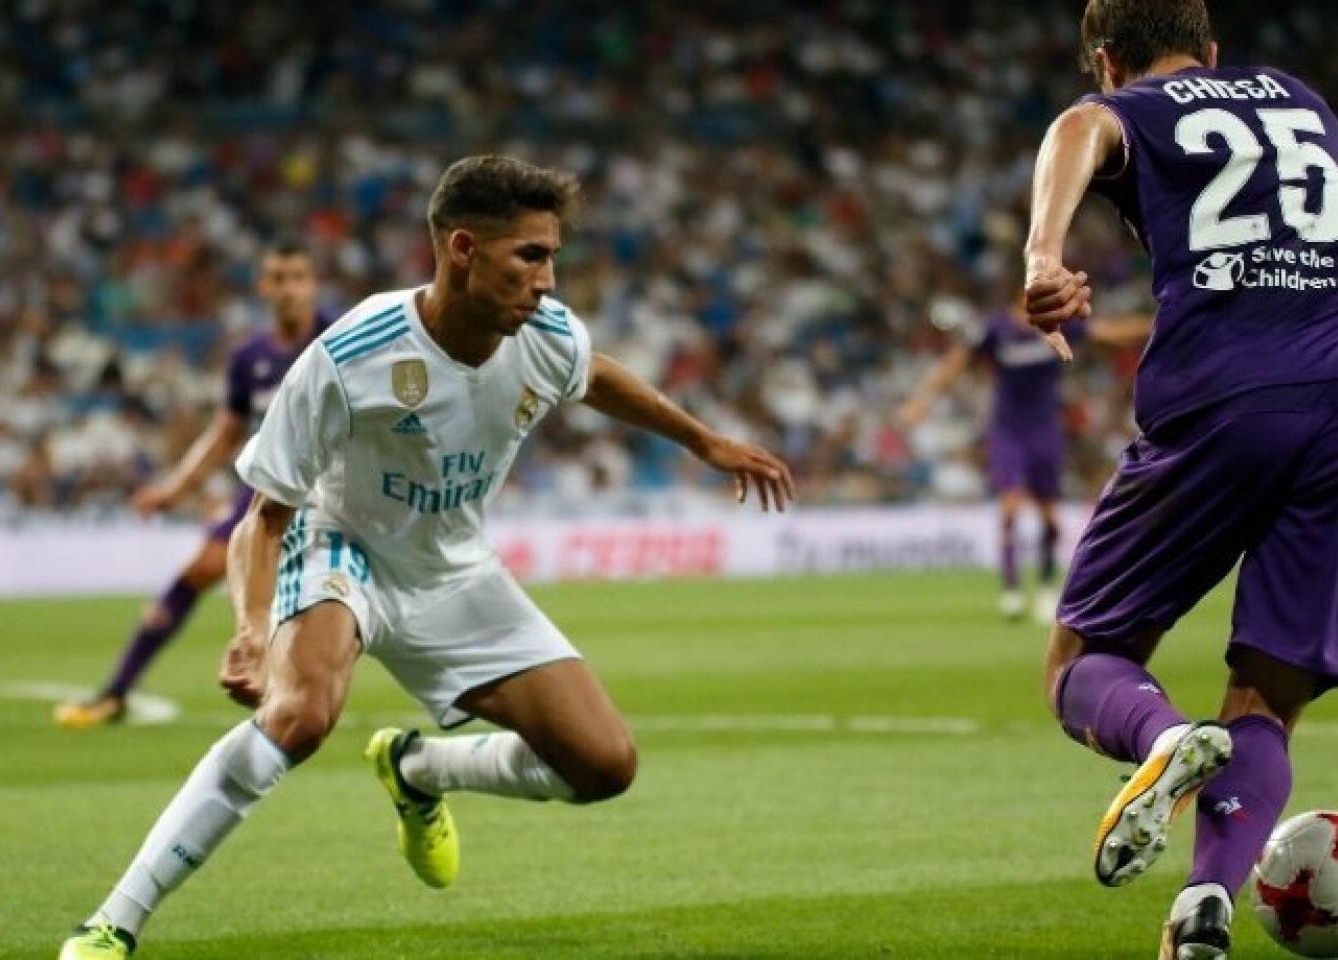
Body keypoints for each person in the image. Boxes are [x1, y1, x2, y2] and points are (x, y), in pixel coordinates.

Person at [57, 155, 794, 959]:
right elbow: (264, 516)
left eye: (553, 257)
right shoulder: (350, 355)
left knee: (603, 765)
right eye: (530, 256)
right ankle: (112, 923)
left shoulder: (545, 335)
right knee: (300, 717)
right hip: (345, 546)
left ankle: (419, 768)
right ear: (463, 249)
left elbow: (595, 375)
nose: (548, 280)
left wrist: (703, 441)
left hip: (455, 567)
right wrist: (250, 624)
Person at [1024, 1, 1338, 956]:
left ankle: (1158, 737)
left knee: (1079, 665)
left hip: (1223, 400)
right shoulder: (1304, 102)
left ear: (1110, 61)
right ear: (1211, 49)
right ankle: (1204, 904)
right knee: (1265, 699)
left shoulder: (1133, 105)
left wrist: (1045, 253)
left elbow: (1081, 126)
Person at [54, 241, 329, 728]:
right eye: (278, 278)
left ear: (313, 283)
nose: (288, 289)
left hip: (335, 487)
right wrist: (174, 488)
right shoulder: (250, 357)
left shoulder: (338, 336)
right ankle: (117, 691)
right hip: (269, 487)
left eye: (298, 277)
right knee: (201, 568)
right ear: (263, 287)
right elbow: (227, 429)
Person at [899, 298, 1146, 622]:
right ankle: (1011, 588)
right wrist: (922, 400)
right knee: (1010, 508)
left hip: (1045, 431)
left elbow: (1107, 332)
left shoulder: (1056, 323)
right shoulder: (995, 330)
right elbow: (955, 363)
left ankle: (1045, 585)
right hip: (1007, 431)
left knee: (1049, 517)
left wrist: (1163, 318)